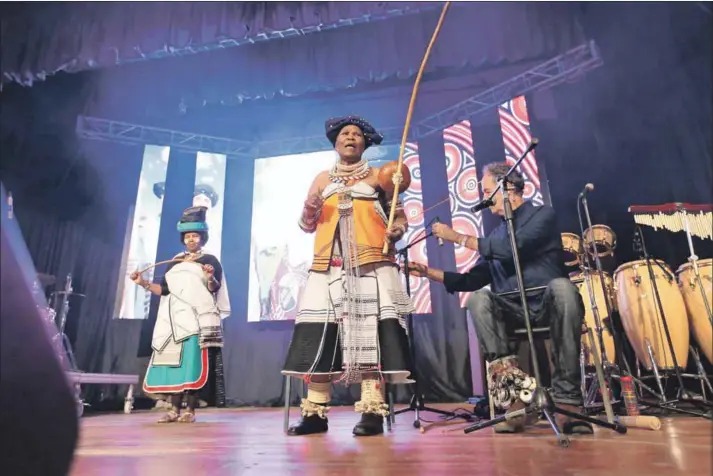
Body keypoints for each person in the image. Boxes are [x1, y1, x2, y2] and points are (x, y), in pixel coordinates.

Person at [408, 162, 592, 434]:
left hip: (547, 304)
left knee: (563, 288)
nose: (482, 197)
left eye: (485, 190)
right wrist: (428, 273)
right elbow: (473, 279)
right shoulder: (495, 234)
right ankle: (516, 395)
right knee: (478, 299)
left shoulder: (543, 215)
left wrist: (456, 236)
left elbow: (512, 248)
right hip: (511, 310)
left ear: (506, 188)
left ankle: (568, 402)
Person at [282, 116, 413, 437]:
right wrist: (310, 207)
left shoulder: (381, 176)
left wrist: (396, 229)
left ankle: (372, 411)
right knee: (321, 338)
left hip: (369, 263)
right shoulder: (322, 178)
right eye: (345, 134)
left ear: (365, 143)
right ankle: (315, 412)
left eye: (356, 134)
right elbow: (306, 224)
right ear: (336, 142)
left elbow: (398, 215)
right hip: (329, 265)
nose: (350, 137)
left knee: (369, 336)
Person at [130, 206, 230, 423]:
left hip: (195, 320)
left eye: (195, 235)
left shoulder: (210, 261)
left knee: (191, 365)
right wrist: (143, 283)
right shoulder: (175, 262)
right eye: (187, 236)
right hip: (172, 320)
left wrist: (210, 277)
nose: (191, 240)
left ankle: (190, 411)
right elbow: (164, 290)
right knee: (174, 366)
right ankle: (173, 410)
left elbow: (214, 288)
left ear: (202, 237)